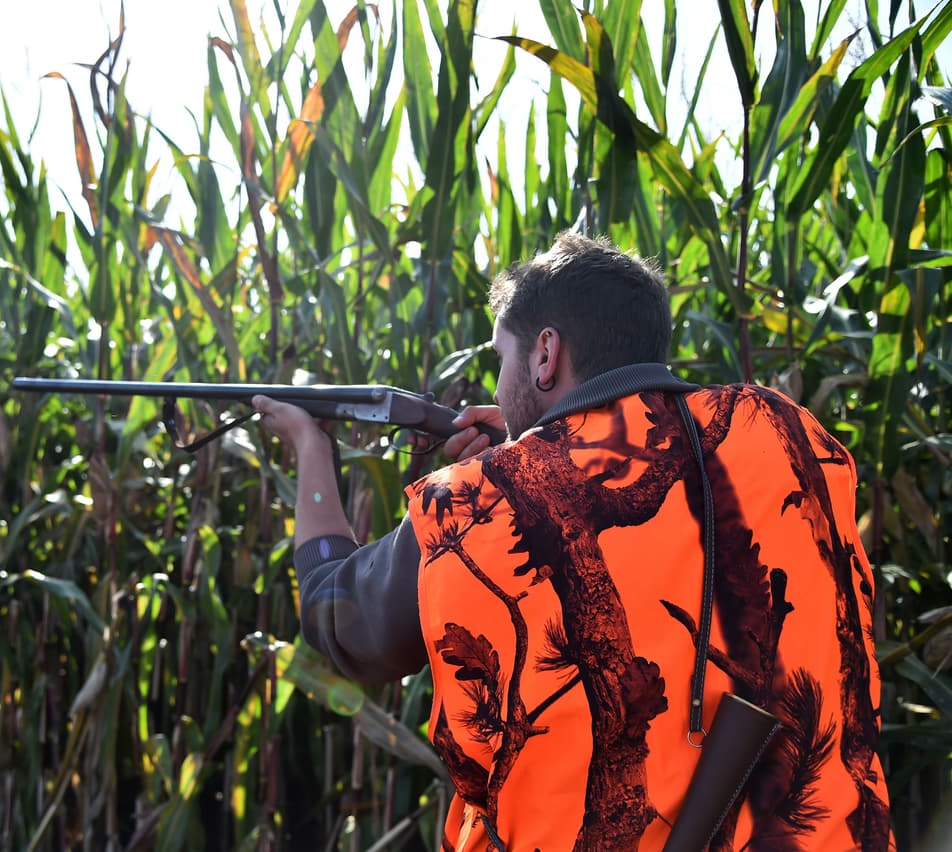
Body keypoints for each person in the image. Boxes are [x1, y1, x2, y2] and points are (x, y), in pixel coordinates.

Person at [252, 233, 894, 851]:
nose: (500, 383)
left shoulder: (476, 501)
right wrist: (541, 444)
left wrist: (311, 450)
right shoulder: (787, 434)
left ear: (545, 354)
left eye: (503, 358)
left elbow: (337, 623)